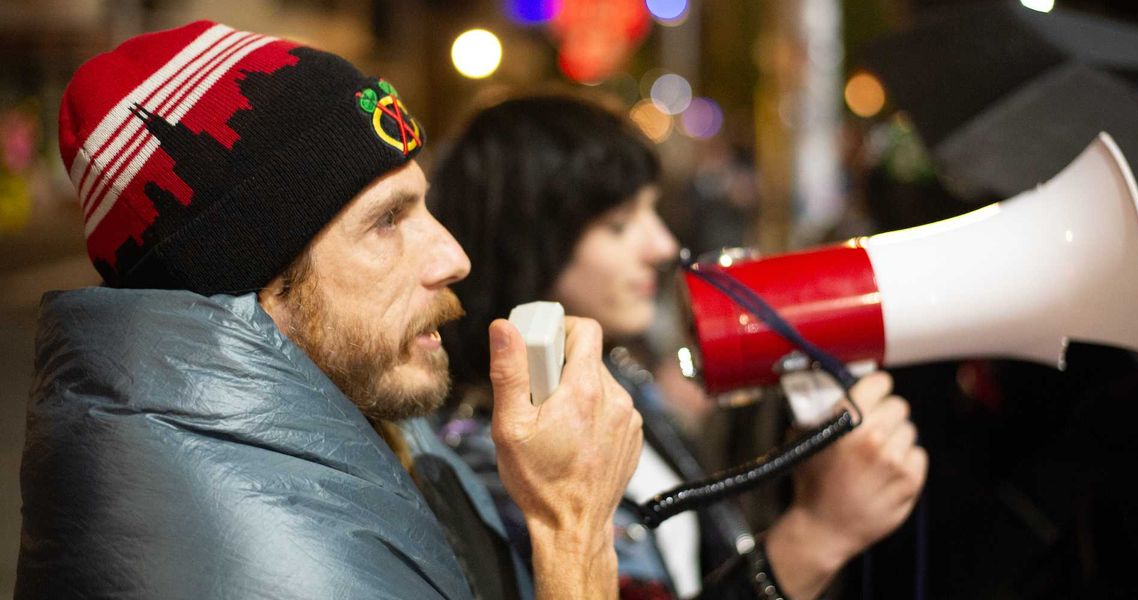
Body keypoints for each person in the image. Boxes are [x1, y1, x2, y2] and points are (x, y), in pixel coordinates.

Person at [16, 22, 644, 599]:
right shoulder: (259, 568)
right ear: (252, 278)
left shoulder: (357, 408)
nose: (454, 257)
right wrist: (571, 528)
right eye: (388, 219)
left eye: (423, 206)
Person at [430, 95, 929, 600]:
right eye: (619, 224)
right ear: (527, 242)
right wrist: (817, 535)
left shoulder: (611, 375)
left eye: (652, 210)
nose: (664, 246)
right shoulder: (490, 463)